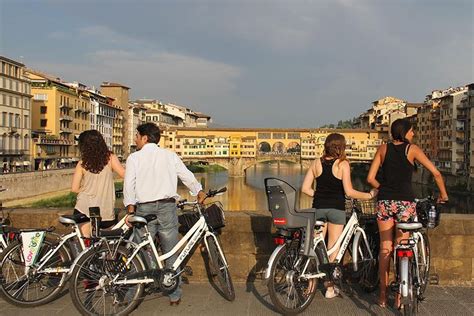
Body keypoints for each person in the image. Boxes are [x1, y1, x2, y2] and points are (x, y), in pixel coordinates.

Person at [366, 118, 448, 308]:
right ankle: (400, 297)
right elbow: (436, 173)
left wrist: (384, 189)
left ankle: (383, 297)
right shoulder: (412, 149)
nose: (414, 134)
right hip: (405, 204)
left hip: (385, 203)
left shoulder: (383, 149)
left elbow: (370, 178)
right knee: (401, 246)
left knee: (385, 248)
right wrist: (443, 195)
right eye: (412, 131)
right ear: (405, 132)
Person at [123, 122, 206, 306]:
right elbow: (186, 175)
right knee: (171, 251)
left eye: (137, 136)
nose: (135, 139)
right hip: (168, 208)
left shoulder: (134, 158)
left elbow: (129, 186)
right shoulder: (170, 156)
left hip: (144, 209)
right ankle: (174, 294)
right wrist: (198, 191)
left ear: (145, 138)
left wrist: (130, 209)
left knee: (139, 249)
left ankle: (132, 292)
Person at [302, 133, 376, 298]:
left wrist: (320, 195)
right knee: (332, 250)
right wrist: (369, 195)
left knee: (316, 249)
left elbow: (305, 189)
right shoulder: (343, 164)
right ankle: (329, 288)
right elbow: (349, 191)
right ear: (341, 147)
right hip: (336, 210)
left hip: (319, 208)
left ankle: (310, 284)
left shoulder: (316, 163)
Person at [71, 130, 125, 237]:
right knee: (106, 247)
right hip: (105, 210)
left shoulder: (82, 163)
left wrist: (89, 191)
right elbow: (124, 174)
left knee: (86, 247)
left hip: (84, 208)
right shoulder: (110, 158)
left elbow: (74, 188)